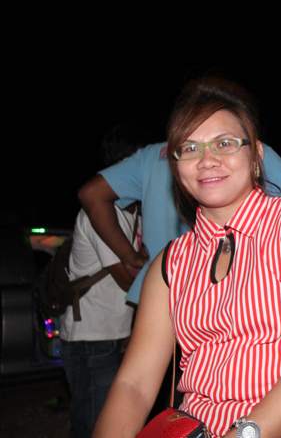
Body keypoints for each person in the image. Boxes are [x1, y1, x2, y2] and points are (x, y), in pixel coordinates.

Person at [93, 76, 281, 438]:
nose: (207, 160)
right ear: (176, 167)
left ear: (256, 155)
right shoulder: (170, 263)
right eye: (190, 148)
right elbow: (133, 384)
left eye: (224, 143)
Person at [79, 130, 281, 307]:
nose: (207, 161)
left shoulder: (152, 156)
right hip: (230, 298)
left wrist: (129, 256)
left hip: (160, 296)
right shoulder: (242, 149)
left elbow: (92, 194)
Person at [60, 128, 143, 438]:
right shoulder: (100, 215)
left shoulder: (133, 215)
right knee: (96, 424)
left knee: (104, 419)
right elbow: (126, 280)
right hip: (92, 337)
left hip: (112, 334)